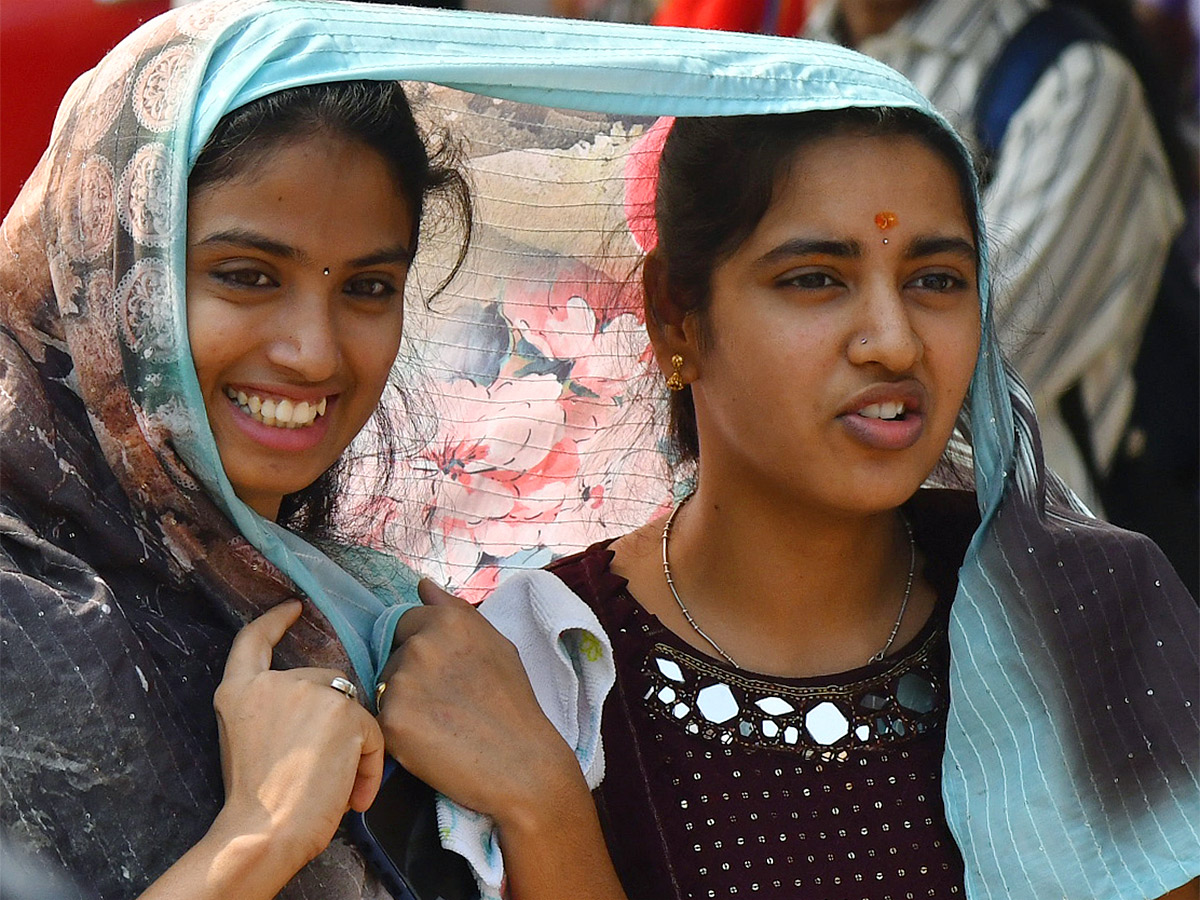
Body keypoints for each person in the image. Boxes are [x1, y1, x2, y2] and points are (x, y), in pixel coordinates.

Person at [373, 43, 1200, 900]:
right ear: (674, 317)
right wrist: (542, 804)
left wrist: (549, 818)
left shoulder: (1085, 617)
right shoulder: (544, 672)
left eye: (937, 279)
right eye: (816, 279)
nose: (894, 339)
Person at [0, 5, 473, 896]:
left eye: (369, 287)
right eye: (247, 276)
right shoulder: (26, 607)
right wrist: (258, 837)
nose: (316, 352)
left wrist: (538, 796)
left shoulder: (384, 622)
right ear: (101, 271)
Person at [801, 0, 1184, 517]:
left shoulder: (1072, 82)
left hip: (1009, 555)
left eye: (935, 280)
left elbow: (972, 383)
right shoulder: (800, 58)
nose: (890, 344)